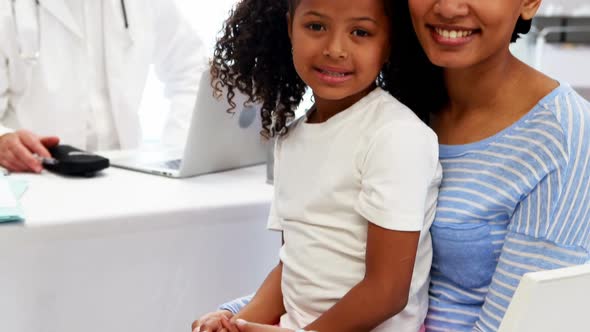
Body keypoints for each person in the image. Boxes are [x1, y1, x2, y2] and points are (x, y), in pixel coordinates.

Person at [195, 0, 590, 331]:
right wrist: (238, 316)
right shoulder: (393, 101)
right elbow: (325, 254)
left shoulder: (561, 135)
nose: (449, 6)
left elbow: (531, 321)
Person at [193, 0, 442, 331]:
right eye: (316, 27)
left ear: (388, 44)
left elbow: (387, 291)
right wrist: (236, 322)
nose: (335, 49)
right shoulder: (292, 140)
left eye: (360, 32)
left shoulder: (396, 136)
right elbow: (294, 266)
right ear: (289, 29)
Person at [0, 0, 206, 173]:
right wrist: (3, 139)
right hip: (35, 175)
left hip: (125, 175)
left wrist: (178, 149)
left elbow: (192, 67)